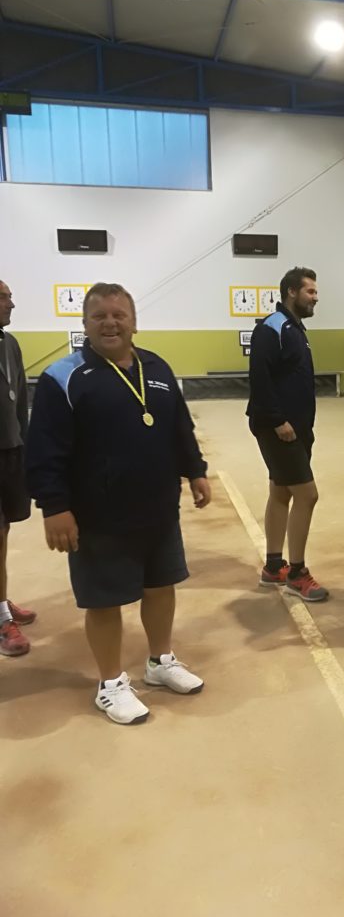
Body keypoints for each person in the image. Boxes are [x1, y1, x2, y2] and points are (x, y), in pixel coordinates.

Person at [25, 283, 210, 725]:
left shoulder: (157, 367)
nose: (110, 323)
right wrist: (54, 506)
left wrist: (196, 470)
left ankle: (160, 661)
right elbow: (45, 449)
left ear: (134, 322)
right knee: (104, 601)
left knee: (161, 587)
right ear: (85, 324)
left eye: (119, 315)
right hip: (97, 517)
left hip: (158, 508)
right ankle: (110, 684)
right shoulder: (63, 378)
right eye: (99, 316)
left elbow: (179, 427)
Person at [247, 266, 327, 602]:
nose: (316, 297)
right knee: (307, 495)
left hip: (297, 429)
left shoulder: (295, 329)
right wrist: (278, 420)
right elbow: (259, 377)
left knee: (281, 492)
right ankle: (296, 573)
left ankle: (273, 566)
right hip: (279, 429)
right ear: (291, 292)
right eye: (310, 291)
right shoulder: (272, 327)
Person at [0, 280, 37, 657]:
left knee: (5, 530)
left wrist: (26, 446)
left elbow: (20, 397)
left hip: (10, 451)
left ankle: (1, 600)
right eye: (3, 297)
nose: (11, 303)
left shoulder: (9, 343)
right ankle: (0, 621)